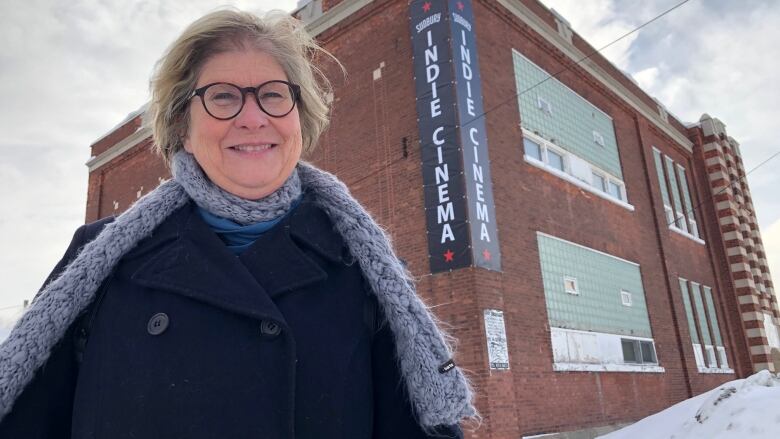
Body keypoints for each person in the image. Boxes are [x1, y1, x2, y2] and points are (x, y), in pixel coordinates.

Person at [0, 9, 477, 438]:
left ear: (299, 120)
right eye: (223, 97)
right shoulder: (97, 259)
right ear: (182, 127)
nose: (253, 118)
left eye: (273, 95)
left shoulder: (367, 269)